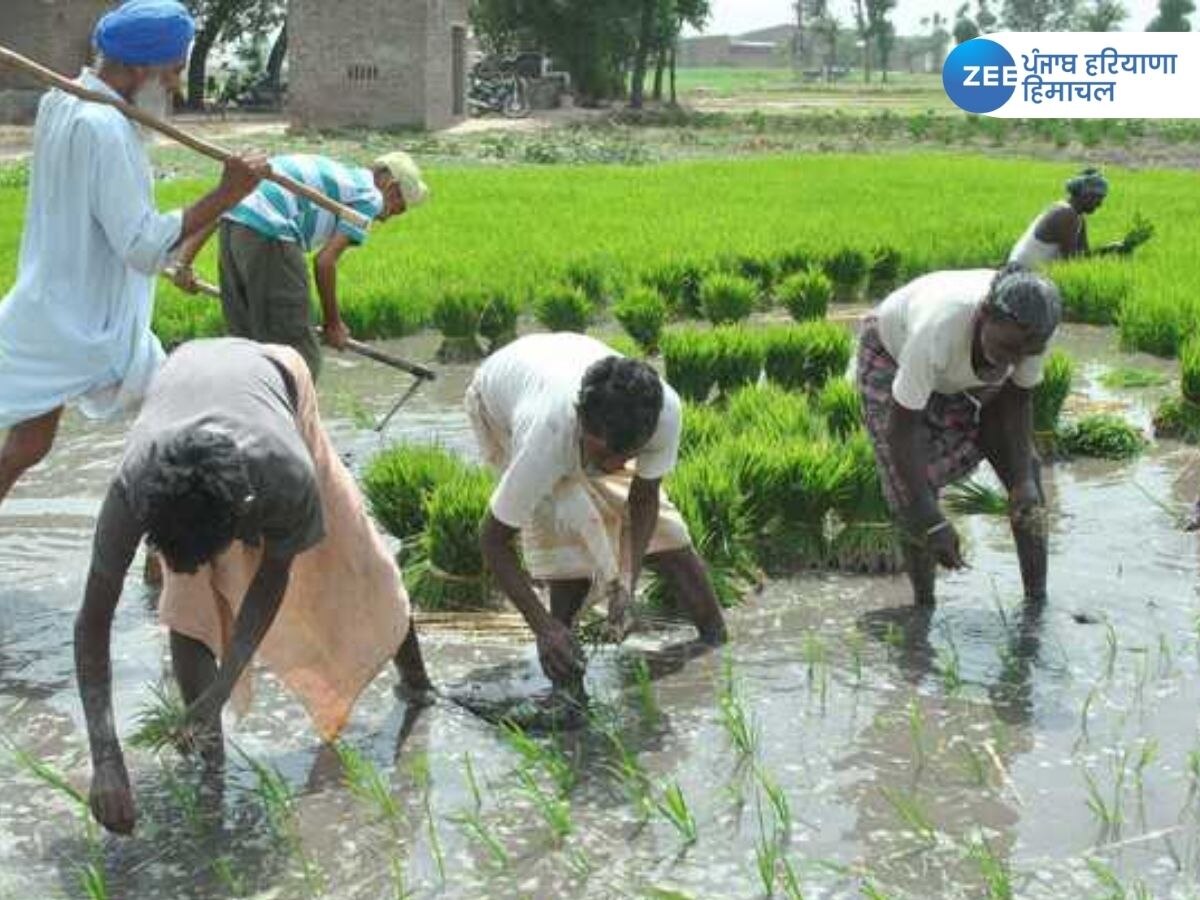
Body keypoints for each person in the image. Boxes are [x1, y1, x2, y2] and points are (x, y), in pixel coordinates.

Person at [77, 338, 434, 835]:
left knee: (351, 558)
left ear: (244, 511)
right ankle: (210, 761)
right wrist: (106, 758)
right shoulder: (134, 487)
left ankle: (418, 686)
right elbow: (93, 621)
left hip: (275, 377)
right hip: (183, 376)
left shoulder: (287, 474)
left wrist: (225, 684)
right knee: (189, 599)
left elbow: (272, 577)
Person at [0, 0, 269, 509]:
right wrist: (226, 193)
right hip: (88, 330)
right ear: (141, 67)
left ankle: (158, 550)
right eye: (172, 70)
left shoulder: (63, 101)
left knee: (28, 446)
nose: (176, 85)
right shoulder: (104, 128)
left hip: (50, 310)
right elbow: (143, 246)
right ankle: (166, 553)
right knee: (180, 422)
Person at [467, 332, 728, 693]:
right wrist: (541, 626)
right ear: (581, 419)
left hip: (556, 367)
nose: (608, 466)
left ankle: (716, 641)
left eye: (621, 457)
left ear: (646, 436)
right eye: (598, 454)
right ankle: (563, 666)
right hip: (499, 401)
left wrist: (627, 580)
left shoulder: (663, 412)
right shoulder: (547, 435)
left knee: (668, 534)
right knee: (563, 540)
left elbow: (644, 498)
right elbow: (493, 539)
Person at [857, 264, 1063, 607]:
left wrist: (1023, 480)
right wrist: (931, 519)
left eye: (1025, 354)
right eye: (1008, 348)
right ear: (984, 314)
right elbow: (900, 431)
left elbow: (1017, 401)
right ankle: (923, 610)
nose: (1014, 361)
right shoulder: (937, 330)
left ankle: (1036, 604)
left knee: (1026, 474)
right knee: (911, 485)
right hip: (892, 352)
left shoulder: (1032, 334)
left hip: (957, 369)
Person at [172, 151, 428, 379]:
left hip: (233, 234)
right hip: (271, 236)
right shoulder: (370, 196)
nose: (388, 217)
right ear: (391, 188)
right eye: (398, 208)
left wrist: (184, 263)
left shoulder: (340, 177)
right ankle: (292, 429)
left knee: (247, 352)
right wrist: (333, 324)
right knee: (297, 359)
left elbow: (223, 204)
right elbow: (325, 262)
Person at [1008, 167, 1126, 268]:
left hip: (1031, 273)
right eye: (1097, 198)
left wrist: (1109, 250)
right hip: (1021, 275)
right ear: (1084, 195)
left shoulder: (1078, 217)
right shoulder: (1066, 214)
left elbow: (1083, 256)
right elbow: (1071, 263)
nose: (1100, 204)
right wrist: (1106, 253)